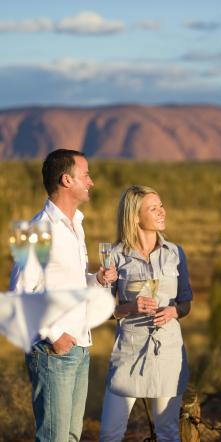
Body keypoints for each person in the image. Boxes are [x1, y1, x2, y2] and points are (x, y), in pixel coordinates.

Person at [10, 148, 116, 442]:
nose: (91, 182)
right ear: (67, 180)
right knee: (54, 437)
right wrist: (54, 335)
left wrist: (95, 279)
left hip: (79, 346)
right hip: (53, 350)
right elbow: (19, 293)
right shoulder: (35, 229)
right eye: (86, 175)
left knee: (70, 436)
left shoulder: (75, 226)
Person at [100, 185, 192, 442]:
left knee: (168, 432)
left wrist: (174, 311)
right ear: (135, 216)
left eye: (161, 205)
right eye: (154, 208)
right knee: (110, 434)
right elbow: (104, 310)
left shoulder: (175, 253)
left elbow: (186, 301)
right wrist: (130, 308)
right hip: (128, 352)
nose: (163, 212)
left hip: (168, 353)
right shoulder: (115, 256)